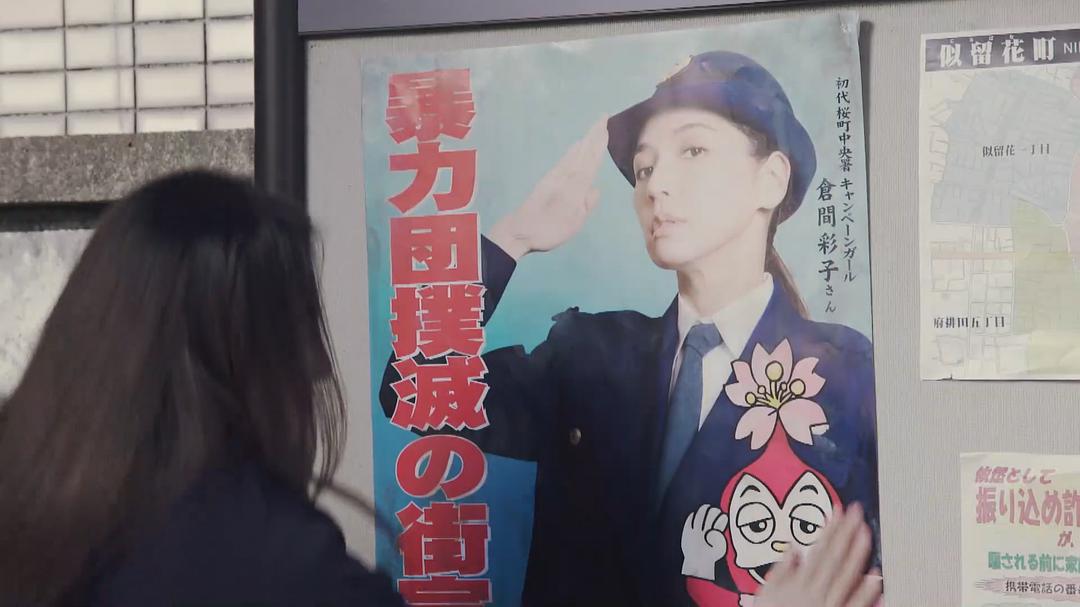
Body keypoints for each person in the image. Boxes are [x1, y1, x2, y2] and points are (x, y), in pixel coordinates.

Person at [380, 51, 879, 606]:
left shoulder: (846, 373)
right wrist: (513, 237)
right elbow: (413, 391)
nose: (656, 185)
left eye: (693, 151)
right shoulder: (587, 356)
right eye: (644, 168)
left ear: (771, 179)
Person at [0, 171, 404, 607]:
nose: (320, 366)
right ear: (239, 349)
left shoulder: (30, 506)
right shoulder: (287, 570)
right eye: (299, 328)